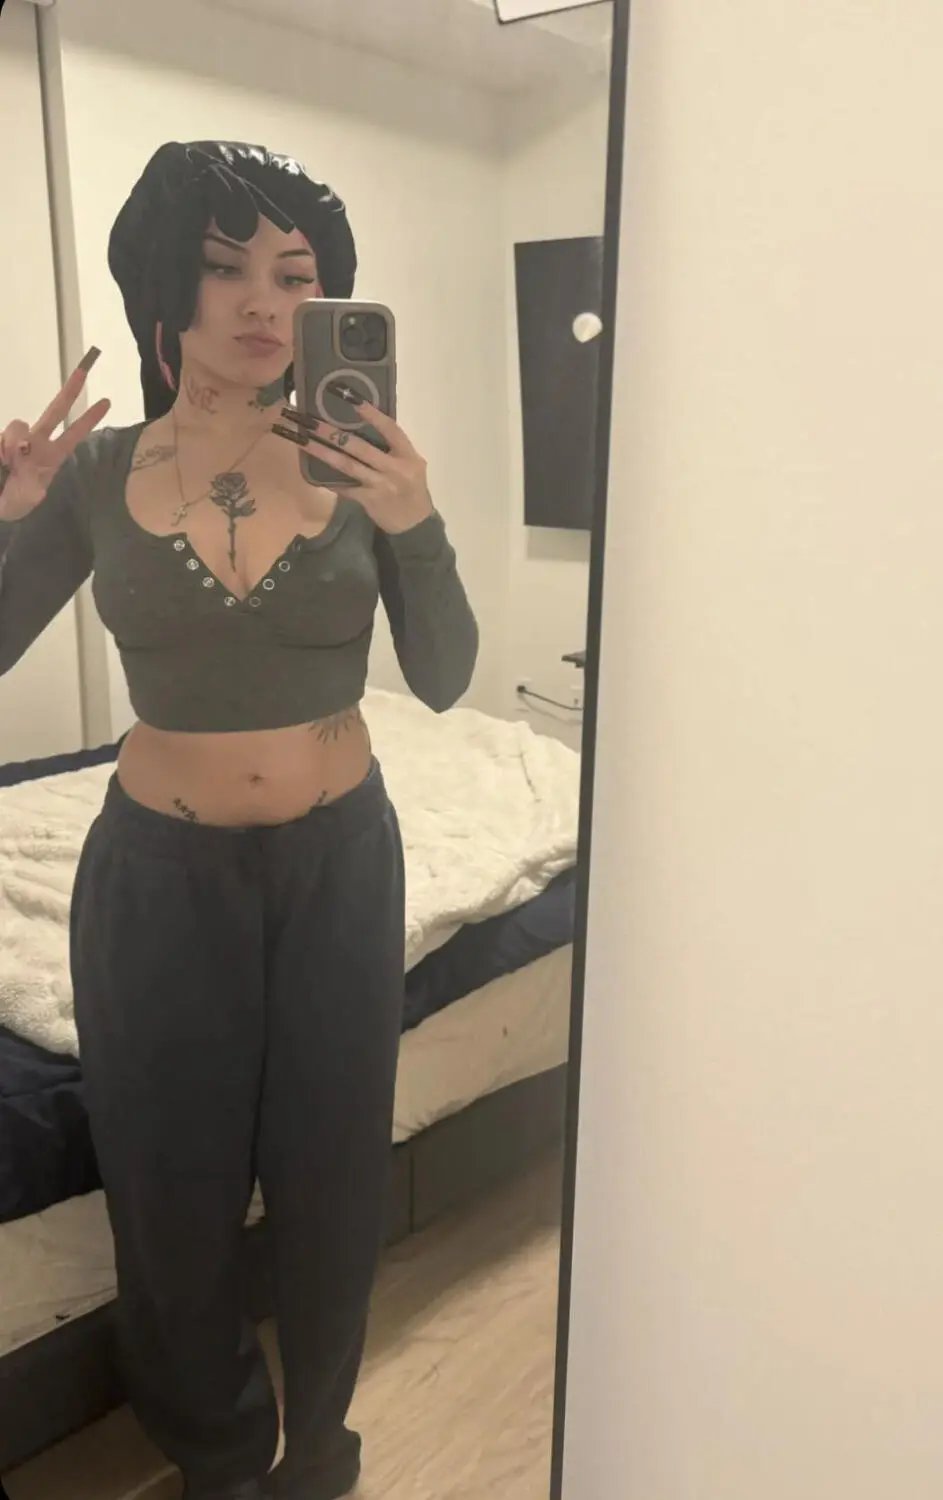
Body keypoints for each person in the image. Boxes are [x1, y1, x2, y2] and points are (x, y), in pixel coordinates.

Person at [0, 141, 478, 1500]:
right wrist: (9, 512)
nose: (263, 300)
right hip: (156, 881)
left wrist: (418, 520)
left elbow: (446, 676)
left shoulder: (362, 460)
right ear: (170, 290)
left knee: (333, 1180)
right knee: (170, 1190)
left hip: (340, 868)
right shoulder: (96, 474)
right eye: (223, 268)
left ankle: (319, 1448)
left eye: (296, 273)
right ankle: (218, 1458)